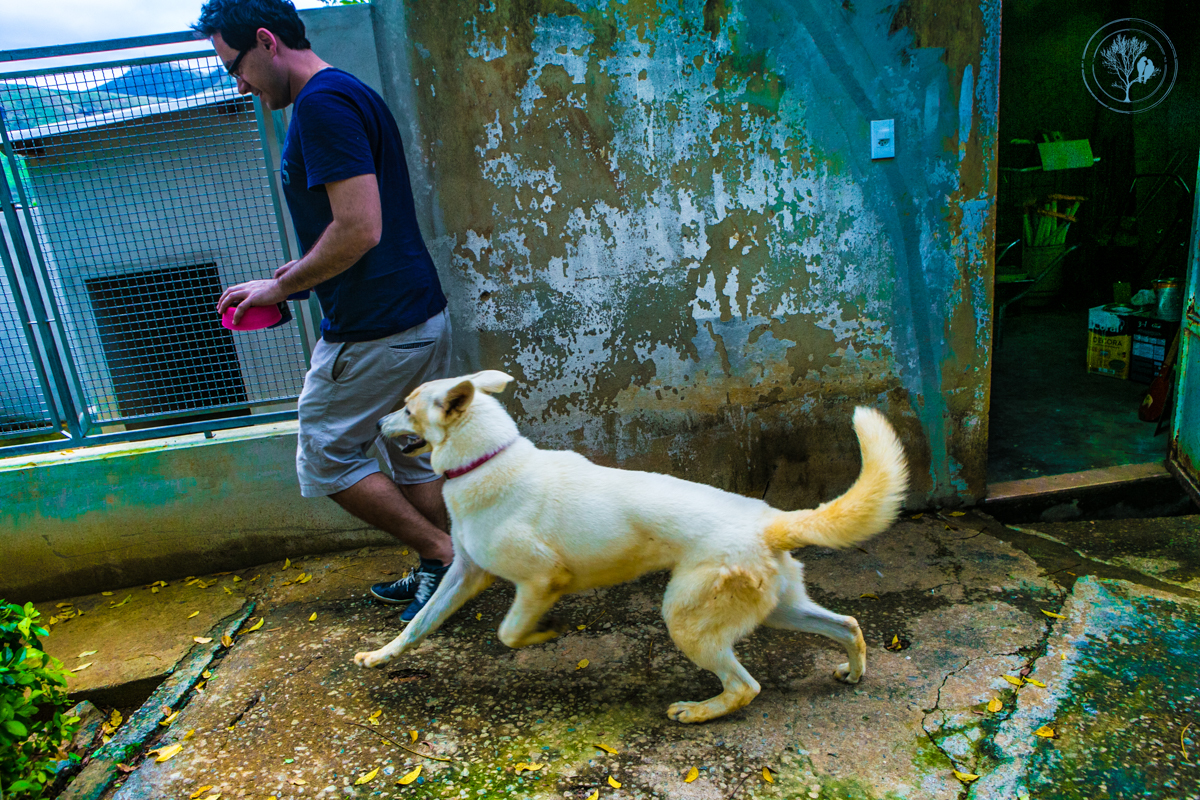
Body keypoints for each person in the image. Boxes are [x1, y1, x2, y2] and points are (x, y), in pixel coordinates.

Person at [195, 0, 454, 621]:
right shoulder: (348, 92)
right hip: (416, 315)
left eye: (235, 66)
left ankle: (443, 554)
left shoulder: (321, 106)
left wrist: (280, 290)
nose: (239, 85)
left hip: (375, 329)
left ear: (266, 41)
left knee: (325, 453)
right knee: (410, 448)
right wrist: (288, 279)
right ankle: (451, 566)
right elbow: (357, 229)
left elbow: (359, 228)